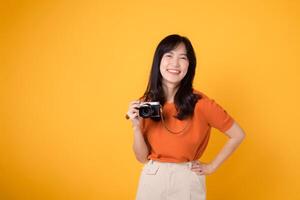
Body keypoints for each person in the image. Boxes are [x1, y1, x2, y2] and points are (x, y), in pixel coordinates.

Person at [126, 34, 245, 200]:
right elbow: (141, 158)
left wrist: (211, 167)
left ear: (189, 65)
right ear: (158, 61)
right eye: (169, 55)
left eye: (183, 57)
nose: (175, 63)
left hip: (186, 178)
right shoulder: (146, 104)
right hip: (153, 177)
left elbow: (238, 134)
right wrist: (136, 127)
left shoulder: (201, 103)